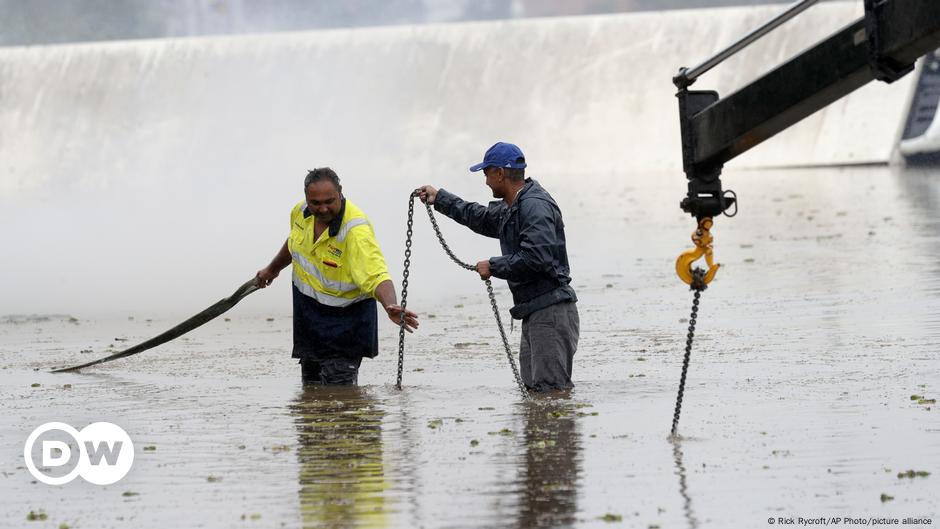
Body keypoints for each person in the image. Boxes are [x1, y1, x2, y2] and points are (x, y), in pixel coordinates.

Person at [416, 142, 579, 392]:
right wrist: (441, 199)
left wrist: (493, 266)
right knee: (536, 394)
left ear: (500, 173)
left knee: (551, 394)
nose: (486, 182)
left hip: (550, 314)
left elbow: (538, 258)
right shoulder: (513, 206)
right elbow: (479, 216)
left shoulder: (534, 206)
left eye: (487, 174)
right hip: (536, 312)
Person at [257, 167, 418, 385]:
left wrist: (390, 304)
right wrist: (273, 269)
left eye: (329, 201)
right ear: (306, 198)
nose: (322, 208)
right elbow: (294, 242)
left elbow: (377, 274)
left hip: (346, 325)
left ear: (340, 193)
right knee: (311, 390)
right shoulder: (300, 212)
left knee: (339, 392)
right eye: (315, 202)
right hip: (309, 317)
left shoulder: (355, 230)